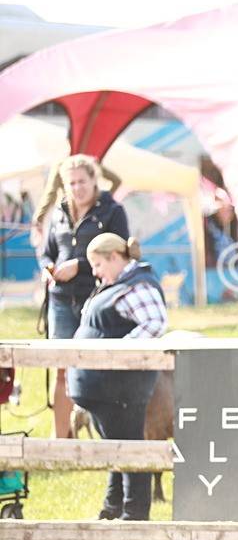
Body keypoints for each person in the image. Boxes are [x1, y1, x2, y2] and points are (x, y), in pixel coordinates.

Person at [67, 233, 167, 521]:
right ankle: (113, 508)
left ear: (114, 257)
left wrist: (120, 352)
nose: (96, 272)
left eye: (98, 264)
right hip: (103, 386)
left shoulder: (136, 286)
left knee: (128, 446)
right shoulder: (117, 285)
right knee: (116, 447)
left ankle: (134, 513)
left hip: (121, 387)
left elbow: (155, 322)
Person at [35, 155, 129, 439]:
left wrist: (81, 266)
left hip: (97, 301)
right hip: (61, 301)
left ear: (94, 180)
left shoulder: (113, 211)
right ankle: (60, 438)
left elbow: (122, 254)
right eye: (71, 182)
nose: (77, 188)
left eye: (82, 181)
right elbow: (47, 251)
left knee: (99, 369)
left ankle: (109, 435)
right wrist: (46, 269)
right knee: (62, 368)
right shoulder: (59, 213)